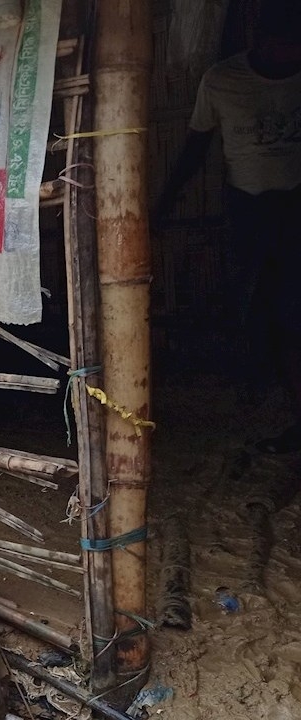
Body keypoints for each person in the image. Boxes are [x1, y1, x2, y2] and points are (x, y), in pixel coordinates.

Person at [154, 1, 301, 454]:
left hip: (295, 205)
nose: (287, 57)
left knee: (291, 306)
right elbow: (197, 146)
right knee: (256, 300)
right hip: (249, 206)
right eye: (281, 48)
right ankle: (263, 381)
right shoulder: (222, 81)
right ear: (259, 41)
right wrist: (165, 203)